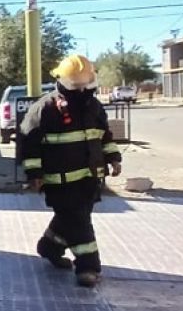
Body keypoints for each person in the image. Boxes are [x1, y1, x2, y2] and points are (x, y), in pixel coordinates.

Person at [18, 55, 123, 288]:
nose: (82, 90)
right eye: (77, 86)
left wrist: (113, 158)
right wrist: (34, 174)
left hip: (91, 180)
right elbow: (29, 144)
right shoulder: (45, 108)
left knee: (73, 219)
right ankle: (88, 267)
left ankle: (49, 246)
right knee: (80, 222)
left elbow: (104, 136)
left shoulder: (94, 107)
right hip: (60, 182)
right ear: (63, 81)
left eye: (85, 85)